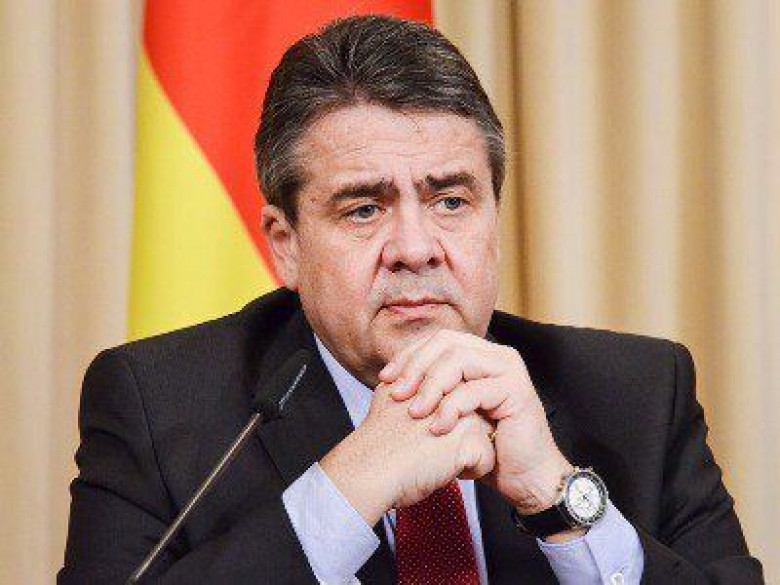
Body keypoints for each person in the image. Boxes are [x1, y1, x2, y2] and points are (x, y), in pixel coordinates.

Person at [59, 14, 763, 585]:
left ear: (494, 217)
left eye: (451, 200)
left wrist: (558, 499)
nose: (416, 248)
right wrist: (350, 485)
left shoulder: (638, 393)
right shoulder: (158, 405)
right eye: (364, 209)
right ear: (286, 244)